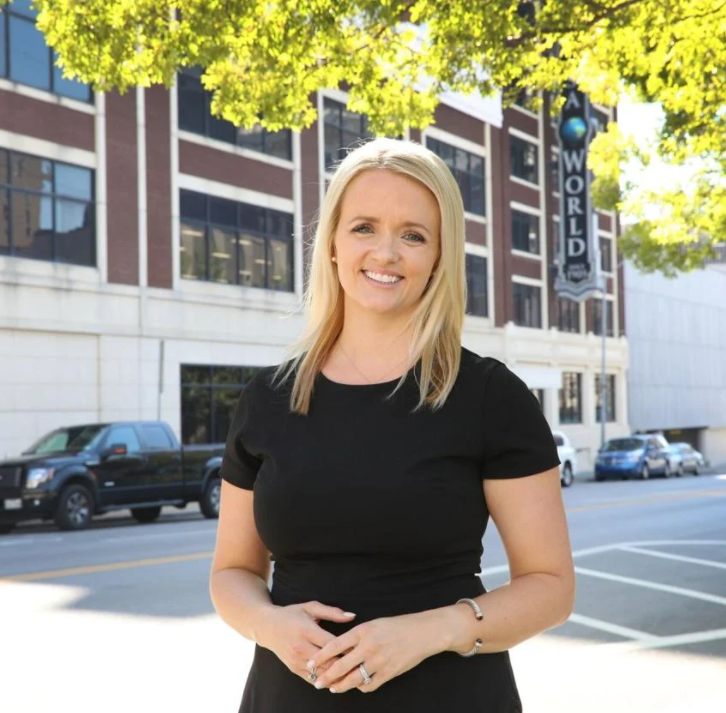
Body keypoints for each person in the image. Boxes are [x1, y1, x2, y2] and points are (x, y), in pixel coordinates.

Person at [209, 138, 575, 713]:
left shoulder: (490, 396)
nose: (386, 252)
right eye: (363, 228)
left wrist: (435, 630)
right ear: (332, 243)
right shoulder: (267, 399)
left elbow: (551, 587)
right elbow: (232, 572)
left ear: (439, 255)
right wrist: (268, 624)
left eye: (413, 235)